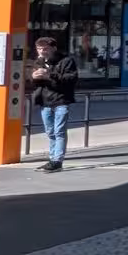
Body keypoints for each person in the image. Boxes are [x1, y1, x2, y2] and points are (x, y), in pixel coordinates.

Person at [27, 35, 79, 173]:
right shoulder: (38, 62)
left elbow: (70, 79)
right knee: (50, 132)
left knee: (59, 131)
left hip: (61, 100)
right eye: (39, 49)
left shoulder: (67, 61)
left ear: (54, 48)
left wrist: (49, 74)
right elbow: (33, 81)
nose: (42, 52)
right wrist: (33, 77)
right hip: (45, 101)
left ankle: (57, 161)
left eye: (45, 49)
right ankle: (52, 159)